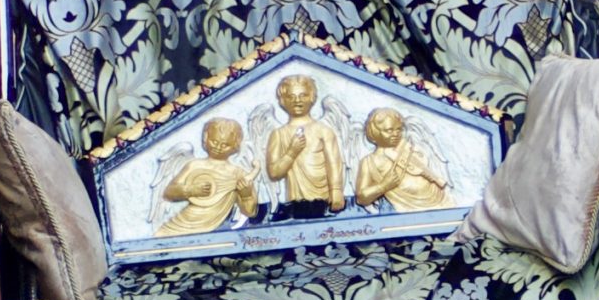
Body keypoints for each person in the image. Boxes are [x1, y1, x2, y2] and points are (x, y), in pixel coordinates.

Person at [157, 118, 258, 235]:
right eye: (214, 141)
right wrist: (190, 190)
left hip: (214, 228)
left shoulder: (238, 174)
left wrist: (246, 196)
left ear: (236, 146)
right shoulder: (194, 165)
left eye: (225, 145)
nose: (218, 147)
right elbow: (169, 192)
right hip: (183, 222)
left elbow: (250, 212)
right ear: (206, 138)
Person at [264, 74, 347, 209]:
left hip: (324, 198)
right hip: (296, 201)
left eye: (303, 95)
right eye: (291, 96)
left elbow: (334, 164)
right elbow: (274, 173)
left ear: (312, 98)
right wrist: (291, 152)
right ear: (282, 101)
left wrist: (336, 191)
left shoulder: (323, 130)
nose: (297, 100)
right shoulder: (278, 134)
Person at [354, 106, 449, 213]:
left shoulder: (410, 149)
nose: (396, 134)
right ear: (375, 132)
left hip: (438, 200)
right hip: (405, 209)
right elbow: (361, 197)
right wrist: (383, 186)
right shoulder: (368, 162)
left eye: (399, 129)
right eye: (389, 130)